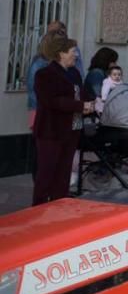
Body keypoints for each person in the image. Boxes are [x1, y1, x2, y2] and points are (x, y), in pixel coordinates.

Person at [32, 37, 94, 204]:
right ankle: (37, 210)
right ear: (61, 53)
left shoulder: (74, 73)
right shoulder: (44, 74)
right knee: (47, 173)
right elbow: (52, 101)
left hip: (72, 130)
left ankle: (59, 209)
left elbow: (81, 93)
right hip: (51, 131)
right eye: (73, 52)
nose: (76, 56)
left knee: (63, 174)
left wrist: (92, 103)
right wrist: (81, 105)